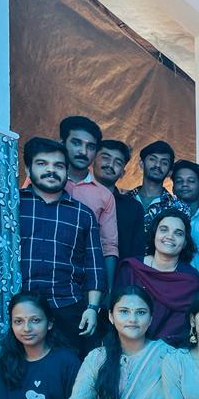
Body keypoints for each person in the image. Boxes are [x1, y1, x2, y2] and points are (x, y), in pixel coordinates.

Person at [19, 136, 103, 351]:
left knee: (70, 366)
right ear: (28, 169)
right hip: (20, 307)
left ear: (66, 171)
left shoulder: (83, 214)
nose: (51, 170)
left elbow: (94, 266)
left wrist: (92, 308)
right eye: (42, 164)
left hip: (67, 306)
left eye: (58, 166)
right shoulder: (13, 206)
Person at [48, 285, 171, 399]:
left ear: (150, 319)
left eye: (141, 312)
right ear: (111, 316)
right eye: (124, 311)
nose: (133, 319)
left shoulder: (167, 356)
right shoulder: (97, 358)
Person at [116, 208, 199, 344]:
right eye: (164, 230)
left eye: (178, 233)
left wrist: (154, 349)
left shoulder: (190, 279)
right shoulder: (131, 268)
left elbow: (183, 325)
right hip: (126, 344)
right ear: (154, 234)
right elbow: (117, 312)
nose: (170, 236)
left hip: (170, 350)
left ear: (185, 242)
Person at [58, 116, 119, 285]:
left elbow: (109, 247)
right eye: (76, 143)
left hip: (84, 280)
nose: (83, 152)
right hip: (40, 272)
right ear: (62, 143)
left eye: (90, 147)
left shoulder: (105, 196)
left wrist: (108, 290)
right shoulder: (43, 180)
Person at [93, 139, 146, 265]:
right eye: (106, 158)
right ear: (93, 161)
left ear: (123, 172)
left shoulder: (133, 208)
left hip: (119, 274)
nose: (110, 165)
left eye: (118, 162)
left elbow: (137, 253)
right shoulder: (76, 197)